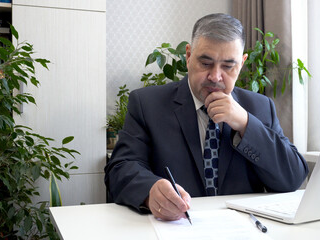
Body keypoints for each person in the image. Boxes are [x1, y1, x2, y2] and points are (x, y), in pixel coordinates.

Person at [104, 13, 308, 222]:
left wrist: (245, 124)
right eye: (206, 63)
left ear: (242, 62)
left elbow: (292, 177)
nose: (215, 76)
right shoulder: (147, 103)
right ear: (189, 55)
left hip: (241, 231)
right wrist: (150, 191)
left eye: (228, 66)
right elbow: (119, 169)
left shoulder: (259, 107)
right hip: (175, 228)